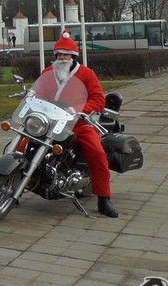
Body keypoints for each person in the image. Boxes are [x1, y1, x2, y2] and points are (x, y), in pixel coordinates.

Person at [36, 31, 117, 218]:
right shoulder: (48, 73)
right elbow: (39, 94)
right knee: (23, 145)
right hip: (50, 122)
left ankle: (104, 198)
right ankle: (13, 184)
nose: (62, 58)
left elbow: (98, 98)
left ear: (74, 56)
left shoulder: (86, 74)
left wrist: (80, 110)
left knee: (97, 152)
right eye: (59, 54)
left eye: (66, 54)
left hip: (77, 123)